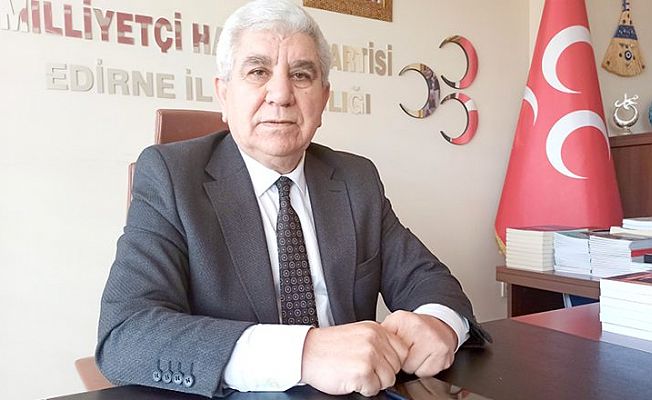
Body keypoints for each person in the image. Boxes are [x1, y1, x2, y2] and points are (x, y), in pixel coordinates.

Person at [96, 0, 490, 398]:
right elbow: (125, 334)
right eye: (258, 71)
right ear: (223, 94)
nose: (281, 94)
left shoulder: (355, 179)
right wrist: (303, 353)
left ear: (324, 98)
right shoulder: (170, 177)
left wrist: (440, 323)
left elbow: (430, 280)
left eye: (301, 75)